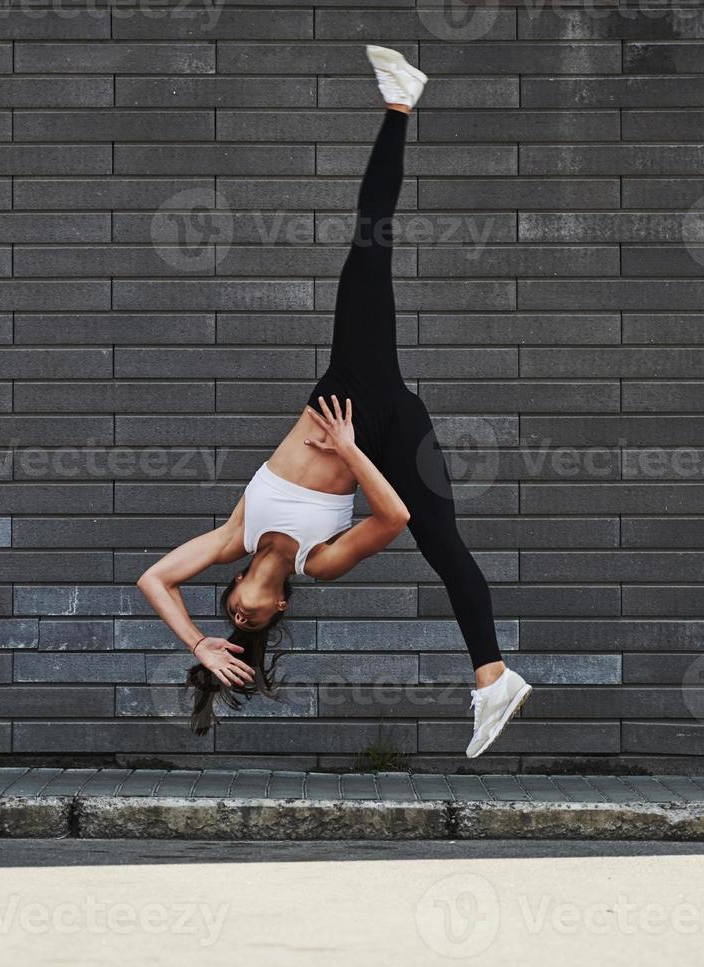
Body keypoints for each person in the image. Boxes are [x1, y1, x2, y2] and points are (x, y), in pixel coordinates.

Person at [137, 46, 531, 758]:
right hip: (376, 433)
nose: (236, 610)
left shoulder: (238, 535)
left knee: (366, 248)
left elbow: (154, 578)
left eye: (228, 611)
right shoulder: (317, 562)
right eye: (246, 622)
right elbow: (393, 516)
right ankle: (496, 677)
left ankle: (400, 104)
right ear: (279, 606)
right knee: (441, 541)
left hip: (350, 387)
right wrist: (350, 452)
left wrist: (198, 641)